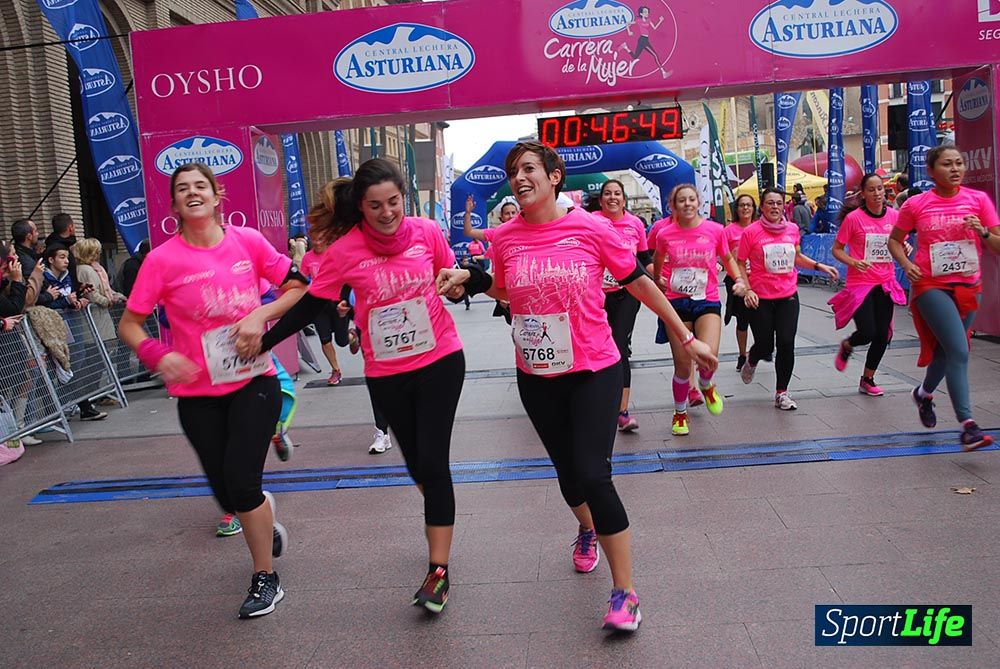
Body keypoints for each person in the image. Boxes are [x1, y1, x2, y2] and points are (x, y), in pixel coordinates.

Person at [436, 141, 718, 632]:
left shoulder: (591, 229)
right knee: (568, 476)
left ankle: (625, 591)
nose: (519, 177)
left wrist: (685, 335)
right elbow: (506, 289)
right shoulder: (504, 238)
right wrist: (473, 279)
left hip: (593, 368)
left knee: (593, 473)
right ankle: (586, 529)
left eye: (528, 169)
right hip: (537, 375)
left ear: (554, 177)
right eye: (512, 171)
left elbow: (639, 281)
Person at [256, 159, 465, 614]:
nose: (387, 212)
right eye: (376, 205)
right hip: (387, 372)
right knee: (418, 467)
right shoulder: (345, 251)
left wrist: (455, 285)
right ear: (361, 207)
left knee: (433, 462)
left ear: (403, 199)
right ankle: (441, 515)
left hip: (440, 360)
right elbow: (310, 306)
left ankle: (438, 572)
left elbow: (452, 276)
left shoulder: (427, 232)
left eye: (394, 202)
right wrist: (263, 340)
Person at [118, 162, 308, 619]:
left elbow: (298, 287)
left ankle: (265, 577)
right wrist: (158, 355)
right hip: (197, 396)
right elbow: (130, 323)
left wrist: (260, 316)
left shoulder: (247, 242)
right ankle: (262, 513)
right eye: (183, 188)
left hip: (253, 383)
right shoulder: (161, 260)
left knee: (242, 484)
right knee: (230, 496)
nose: (193, 193)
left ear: (217, 194)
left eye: (200, 185)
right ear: (174, 203)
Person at [889, 145, 1000, 450]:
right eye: (947, 164)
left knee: (945, 352)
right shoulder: (916, 204)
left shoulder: (978, 201)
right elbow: (895, 240)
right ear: (931, 171)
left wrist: (984, 233)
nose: (955, 169)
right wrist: (907, 264)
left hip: (968, 286)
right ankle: (968, 426)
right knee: (959, 349)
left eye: (960, 163)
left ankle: (923, 395)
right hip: (929, 285)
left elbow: (997, 245)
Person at [653, 185, 744, 436]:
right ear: (673, 206)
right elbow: (657, 260)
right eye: (681, 201)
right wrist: (659, 278)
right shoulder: (665, 234)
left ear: (699, 202)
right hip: (676, 303)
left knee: (709, 354)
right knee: (683, 366)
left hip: (707, 300)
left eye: (691, 199)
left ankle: (706, 384)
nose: (687, 204)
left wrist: (739, 281)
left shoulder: (715, 230)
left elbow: (727, 259)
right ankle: (680, 414)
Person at [738, 188, 839, 410]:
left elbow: (797, 256)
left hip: (787, 296)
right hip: (761, 297)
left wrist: (818, 266)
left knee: (786, 343)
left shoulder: (792, 229)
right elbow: (740, 261)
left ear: (784, 206)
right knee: (765, 345)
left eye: (779, 203)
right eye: (770, 203)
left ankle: (782, 393)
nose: (775, 207)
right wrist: (748, 289)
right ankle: (752, 359)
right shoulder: (751, 233)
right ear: (762, 207)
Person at [829, 174, 908, 396]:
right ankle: (848, 345)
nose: (877, 194)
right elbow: (836, 249)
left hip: (885, 282)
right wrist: (854, 261)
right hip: (860, 284)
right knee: (867, 332)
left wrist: (905, 249)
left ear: (885, 191)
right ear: (863, 194)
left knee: (883, 335)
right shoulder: (854, 219)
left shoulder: (894, 216)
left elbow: (899, 243)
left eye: (880, 189)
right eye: (871, 190)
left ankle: (867, 379)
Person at [593, 179, 652, 432]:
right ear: (601, 199)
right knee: (598, 347)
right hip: (596, 296)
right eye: (608, 193)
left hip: (628, 294)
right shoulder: (591, 221)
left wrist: (660, 278)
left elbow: (644, 259)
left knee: (619, 346)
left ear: (624, 200)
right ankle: (595, 401)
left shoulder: (635, 224)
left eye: (617, 193)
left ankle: (622, 411)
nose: (613, 197)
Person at [724, 194, 756, 371]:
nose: (745, 208)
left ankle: (759, 350)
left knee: (760, 318)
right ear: (737, 209)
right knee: (743, 319)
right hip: (737, 280)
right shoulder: (729, 231)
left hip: (758, 279)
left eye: (749, 205)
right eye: (742, 205)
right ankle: (742, 354)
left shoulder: (760, 227)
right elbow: (723, 256)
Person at [617, 6, 670, 78]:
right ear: (641, 14)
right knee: (655, 55)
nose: (647, 13)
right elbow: (627, 23)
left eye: (647, 11)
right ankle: (663, 72)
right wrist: (629, 32)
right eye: (645, 12)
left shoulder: (649, 20)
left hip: (645, 40)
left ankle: (625, 47)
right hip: (642, 40)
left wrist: (660, 21)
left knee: (635, 57)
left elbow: (654, 27)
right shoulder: (639, 20)